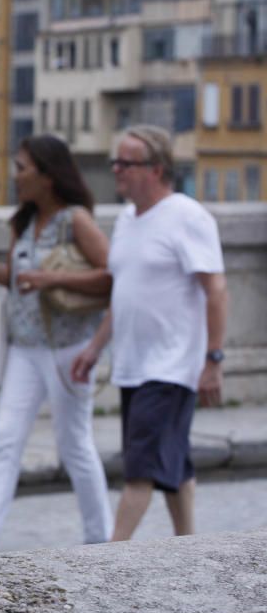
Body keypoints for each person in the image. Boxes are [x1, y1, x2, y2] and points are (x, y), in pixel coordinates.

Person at [0, 134, 113, 557]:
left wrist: (53, 279)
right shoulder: (23, 223)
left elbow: (111, 276)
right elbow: (14, 281)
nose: (15, 175)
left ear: (48, 175)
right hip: (24, 347)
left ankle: (101, 539)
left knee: (74, 444)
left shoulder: (76, 221)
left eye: (22, 167)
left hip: (68, 346)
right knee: (6, 438)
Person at [71, 125, 228, 541]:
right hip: (133, 365)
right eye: (115, 162)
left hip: (171, 365)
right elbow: (125, 294)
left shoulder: (187, 216)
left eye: (126, 163)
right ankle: (188, 546)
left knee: (140, 468)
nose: (116, 170)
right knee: (175, 464)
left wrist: (213, 360)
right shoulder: (125, 220)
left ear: (156, 169)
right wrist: (95, 347)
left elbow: (216, 290)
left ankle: (109, 558)